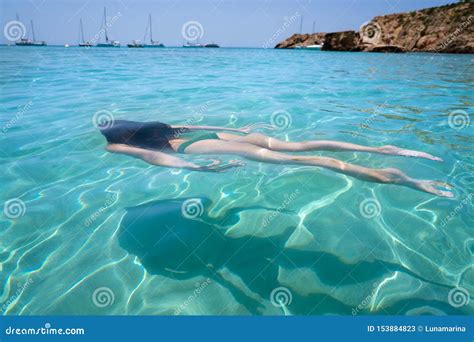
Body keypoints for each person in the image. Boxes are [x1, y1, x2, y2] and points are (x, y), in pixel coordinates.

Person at [99, 120, 453, 198]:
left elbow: (154, 160)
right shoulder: (161, 128)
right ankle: (386, 150)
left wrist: (198, 168)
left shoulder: (121, 144)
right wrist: (236, 128)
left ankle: (405, 179)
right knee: (301, 146)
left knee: (312, 162)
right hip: (224, 137)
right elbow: (196, 124)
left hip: (209, 149)